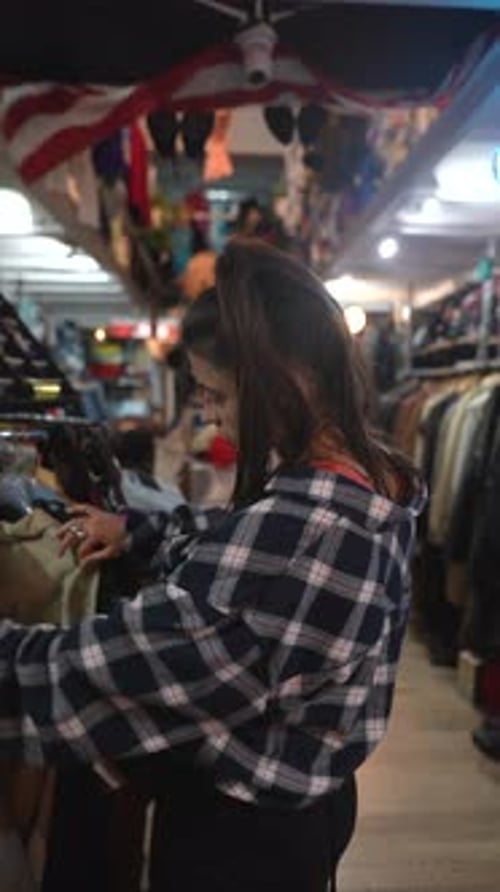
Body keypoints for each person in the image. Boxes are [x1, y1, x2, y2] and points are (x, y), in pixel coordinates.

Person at [0, 239, 425, 892]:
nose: (209, 412)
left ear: (281, 376)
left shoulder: (306, 528)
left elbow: (126, 669)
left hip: (243, 836)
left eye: (215, 392)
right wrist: (140, 530)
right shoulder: (368, 472)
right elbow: (248, 560)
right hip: (308, 807)